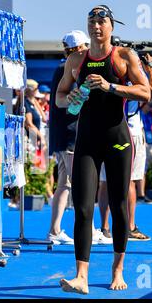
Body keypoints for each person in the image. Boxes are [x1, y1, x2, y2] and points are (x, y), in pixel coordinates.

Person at [56, 5, 150, 294]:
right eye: (92, 21)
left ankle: (117, 268)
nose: (96, 26)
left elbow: (146, 91)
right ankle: (81, 276)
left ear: (111, 26)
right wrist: (70, 96)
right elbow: (60, 99)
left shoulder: (123, 56)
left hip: (118, 138)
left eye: (102, 21)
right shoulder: (76, 58)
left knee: (120, 207)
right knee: (83, 208)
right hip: (87, 138)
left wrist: (110, 87)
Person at [47, 30, 110, 245]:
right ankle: (90, 231)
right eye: (86, 46)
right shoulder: (76, 68)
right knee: (83, 185)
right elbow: (77, 104)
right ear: (80, 48)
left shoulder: (60, 69)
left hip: (60, 135)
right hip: (72, 135)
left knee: (64, 184)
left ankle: (55, 231)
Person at [98, 53, 152, 242]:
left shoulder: (108, 73)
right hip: (130, 133)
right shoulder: (136, 78)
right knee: (130, 180)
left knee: (105, 181)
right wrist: (150, 68)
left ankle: (104, 227)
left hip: (106, 130)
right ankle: (130, 227)